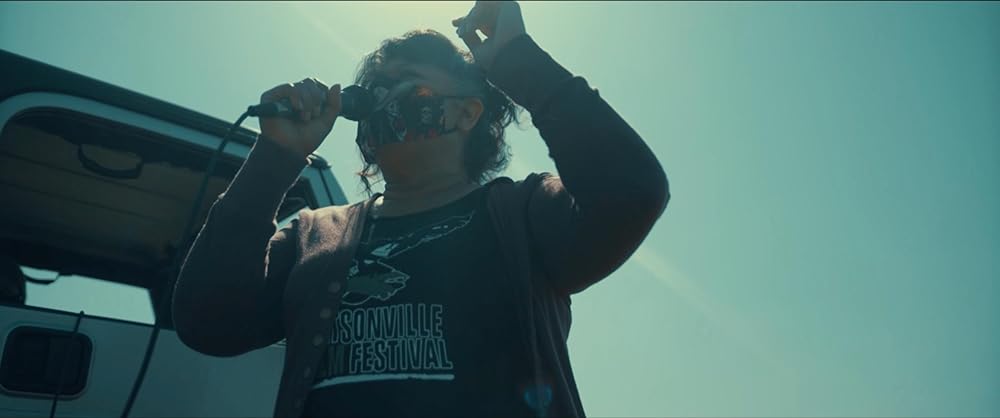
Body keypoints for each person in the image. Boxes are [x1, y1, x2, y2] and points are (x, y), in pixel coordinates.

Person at [172, 1, 669, 417]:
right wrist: (275, 158)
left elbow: (631, 190)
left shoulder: (523, 212)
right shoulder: (313, 235)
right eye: (374, 87)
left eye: (404, 81)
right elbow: (207, 321)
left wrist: (517, 60)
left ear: (465, 111)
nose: (379, 98)